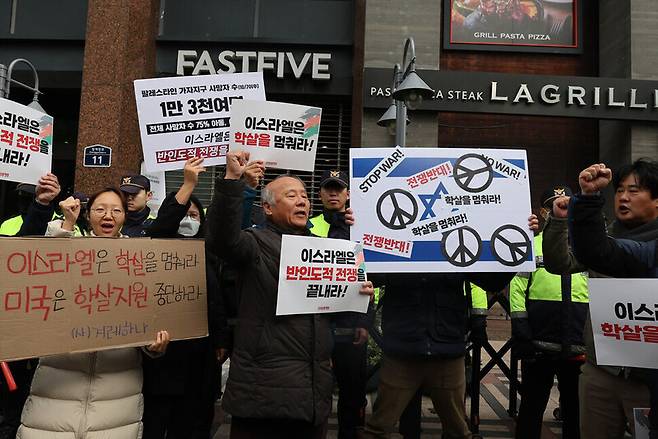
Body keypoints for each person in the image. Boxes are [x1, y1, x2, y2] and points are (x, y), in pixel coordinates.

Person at [206, 150, 374, 439]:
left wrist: (356, 294)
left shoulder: (321, 248)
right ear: (268, 208)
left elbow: (328, 310)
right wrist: (233, 180)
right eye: (291, 196)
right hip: (261, 395)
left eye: (305, 197)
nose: (302, 201)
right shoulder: (253, 244)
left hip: (311, 396)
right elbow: (222, 238)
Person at [360, 215, 538, 439]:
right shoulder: (395, 240)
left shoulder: (457, 243)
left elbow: (492, 281)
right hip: (402, 350)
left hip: (447, 349)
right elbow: (369, 272)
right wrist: (355, 227)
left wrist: (520, 239)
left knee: (458, 430)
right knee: (377, 428)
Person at [16, 187, 171, 439]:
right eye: (100, 209)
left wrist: (152, 345)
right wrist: (67, 222)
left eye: (116, 210)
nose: (108, 215)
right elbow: (41, 272)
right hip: (56, 389)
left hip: (118, 394)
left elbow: (148, 317)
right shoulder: (70, 247)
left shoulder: (141, 261)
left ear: (125, 216)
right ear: (88, 214)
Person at [140, 157, 260, 439]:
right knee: (157, 421)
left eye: (194, 216)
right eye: (183, 214)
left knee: (195, 422)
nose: (187, 221)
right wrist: (188, 184)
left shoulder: (212, 250)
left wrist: (221, 340)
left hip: (202, 351)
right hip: (163, 349)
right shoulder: (156, 246)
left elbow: (217, 295)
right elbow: (161, 227)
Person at [542, 159, 658, 439]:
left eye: (634, 190)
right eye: (619, 190)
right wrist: (558, 221)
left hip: (647, 379)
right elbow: (560, 264)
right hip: (600, 371)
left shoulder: (646, 248)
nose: (623, 197)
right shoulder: (601, 240)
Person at [510, 184, 588, 439]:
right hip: (539, 343)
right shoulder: (532, 245)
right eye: (553, 204)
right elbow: (517, 287)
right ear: (544, 212)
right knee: (531, 408)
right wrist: (521, 327)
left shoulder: (586, 245)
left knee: (576, 412)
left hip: (578, 343)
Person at [309, 169, 373, 439]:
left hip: (351, 321)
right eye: (328, 188)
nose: (333, 193)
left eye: (339, 188)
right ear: (321, 193)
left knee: (352, 390)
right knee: (315, 388)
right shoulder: (307, 225)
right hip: (316, 321)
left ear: (348, 193)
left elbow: (369, 275)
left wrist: (365, 322)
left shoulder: (363, 225)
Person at [0, 173, 61, 439]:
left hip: (43, 332)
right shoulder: (8, 226)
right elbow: (19, 260)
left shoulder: (65, 229)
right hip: (14, 327)